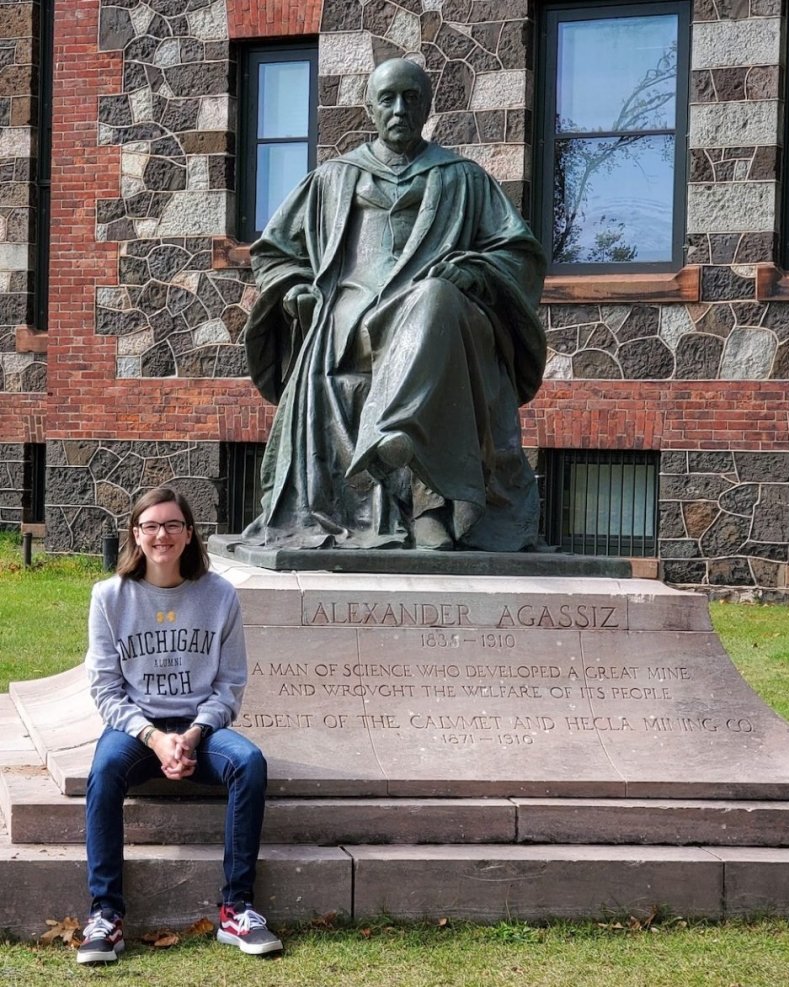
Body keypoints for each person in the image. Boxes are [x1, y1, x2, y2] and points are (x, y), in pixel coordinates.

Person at [242, 57, 547, 553]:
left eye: (411, 98)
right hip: (352, 314)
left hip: (441, 312)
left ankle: (407, 468)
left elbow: (519, 253)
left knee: (433, 298)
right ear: (369, 107)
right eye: (388, 98)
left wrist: (471, 271)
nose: (399, 108)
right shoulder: (333, 179)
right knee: (423, 314)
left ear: (427, 106)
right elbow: (276, 252)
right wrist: (296, 286)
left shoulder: (462, 177)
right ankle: (425, 506)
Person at [77, 486, 281, 964]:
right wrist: (153, 737)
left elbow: (230, 685)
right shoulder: (110, 597)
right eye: (151, 525)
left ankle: (236, 909)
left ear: (189, 534)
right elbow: (106, 689)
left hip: (199, 730)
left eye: (172, 525)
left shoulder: (219, 594)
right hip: (136, 731)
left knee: (248, 762)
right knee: (103, 773)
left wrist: (191, 735)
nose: (161, 535)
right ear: (136, 534)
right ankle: (106, 915)